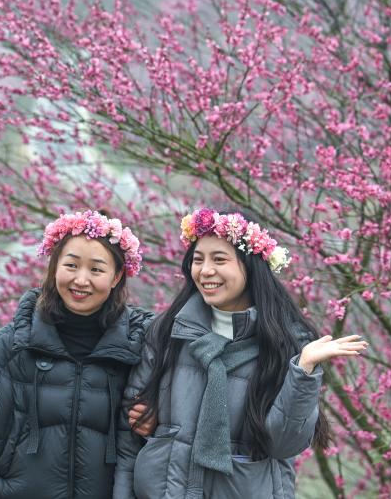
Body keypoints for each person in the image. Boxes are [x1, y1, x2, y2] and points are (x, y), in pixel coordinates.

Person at [113, 208, 368, 498]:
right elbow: (129, 430)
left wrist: (304, 370)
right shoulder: (169, 331)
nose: (205, 271)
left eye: (219, 259)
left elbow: (284, 445)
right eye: (198, 259)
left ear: (251, 265)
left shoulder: (284, 343)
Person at [0, 210, 153, 499]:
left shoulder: (141, 341)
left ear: (117, 276)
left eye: (96, 270)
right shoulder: (21, 337)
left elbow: (180, 409)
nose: (81, 279)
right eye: (71, 265)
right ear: (54, 267)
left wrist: (156, 419)